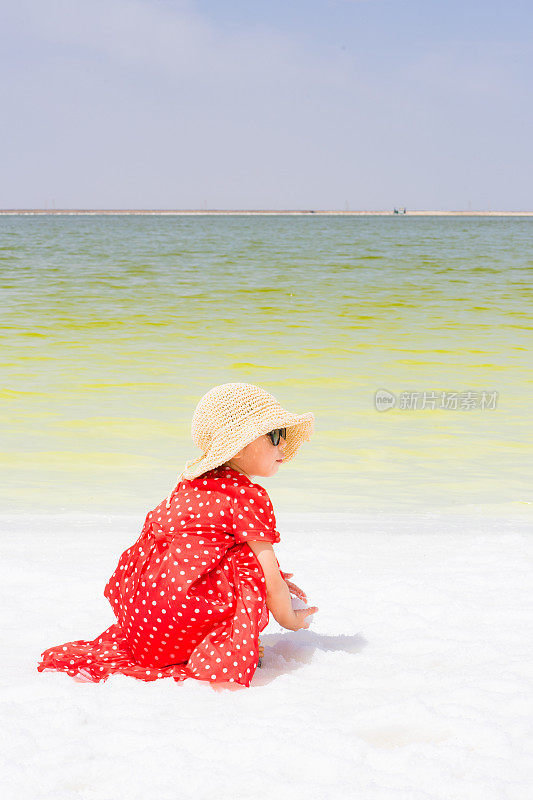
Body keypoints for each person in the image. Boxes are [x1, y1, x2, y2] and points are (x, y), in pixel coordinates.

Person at [37, 382, 318, 690]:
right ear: (240, 445)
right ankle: (222, 649)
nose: (282, 446)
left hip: (146, 632)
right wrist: (288, 618)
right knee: (250, 561)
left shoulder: (190, 485)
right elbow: (268, 576)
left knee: (225, 554)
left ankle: (196, 639)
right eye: (275, 435)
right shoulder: (247, 495)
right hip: (182, 635)